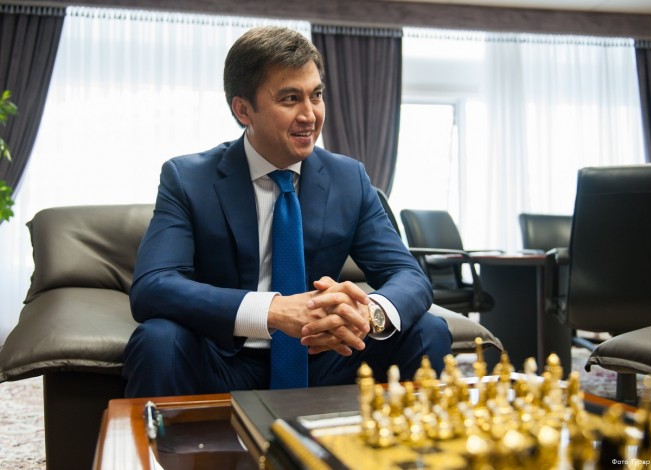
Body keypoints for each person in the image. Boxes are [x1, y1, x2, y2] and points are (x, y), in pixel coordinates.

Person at [122, 25, 452, 398]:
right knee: (157, 340)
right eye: (290, 98)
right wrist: (274, 311)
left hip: (326, 358)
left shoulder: (349, 179)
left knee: (429, 330)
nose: (310, 115)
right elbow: (153, 286)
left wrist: (368, 314)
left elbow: (408, 275)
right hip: (225, 358)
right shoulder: (188, 179)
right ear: (243, 110)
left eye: (317, 95)